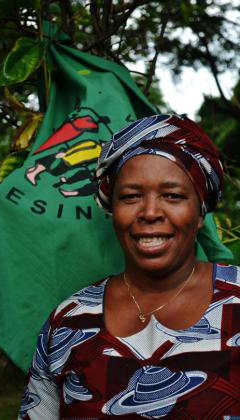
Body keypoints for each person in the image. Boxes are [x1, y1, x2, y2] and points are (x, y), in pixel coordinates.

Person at [18, 114, 240, 419]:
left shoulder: (236, 301)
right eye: (131, 196)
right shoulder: (70, 321)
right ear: (113, 209)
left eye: (172, 196)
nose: (149, 212)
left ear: (200, 211)